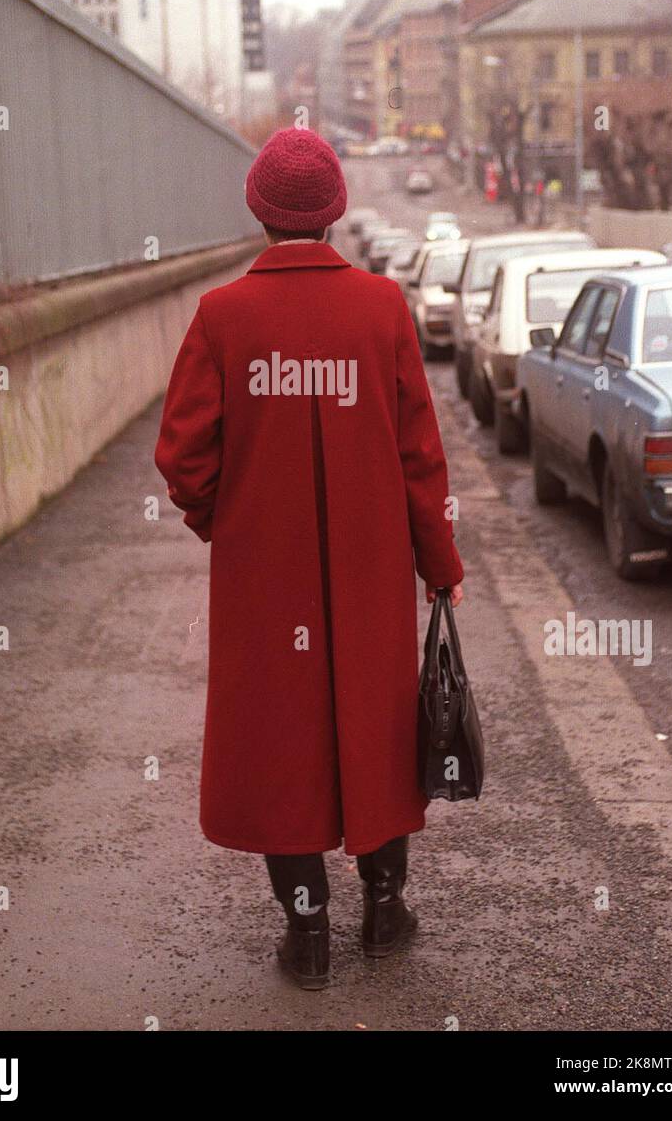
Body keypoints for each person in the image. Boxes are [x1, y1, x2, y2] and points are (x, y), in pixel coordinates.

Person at [155, 127, 464, 990]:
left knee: (278, 739)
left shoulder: (223, 316)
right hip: (371, 572)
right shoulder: (381, 309)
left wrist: (227, 522)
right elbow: (419, 458)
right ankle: (384, 913)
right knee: (375, 726)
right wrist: (439, 562)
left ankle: (309, 934)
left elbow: (182, 454)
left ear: (259, 211)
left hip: (262, 578)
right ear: (335, 213)